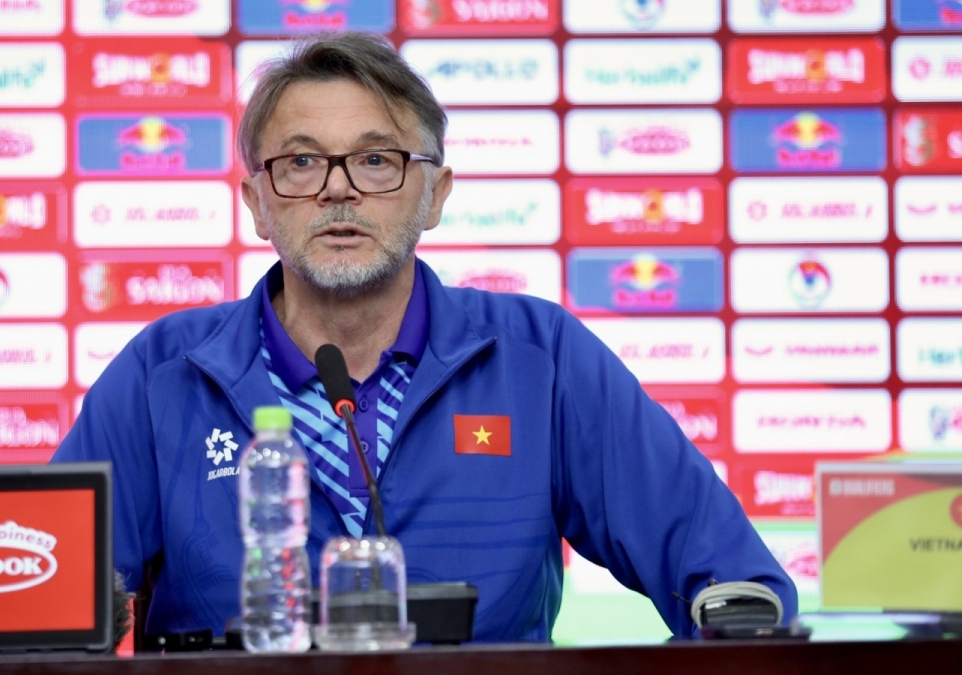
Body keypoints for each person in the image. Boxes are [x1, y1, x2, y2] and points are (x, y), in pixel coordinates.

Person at [52, 30, 796, 643]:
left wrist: (732, 620)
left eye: (377, 160)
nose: (338, 188)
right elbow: (42, 600)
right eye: (302, 162)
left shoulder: (541, 358)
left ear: (435, 193)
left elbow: (734, 586)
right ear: (256, 203)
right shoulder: (162, 371)